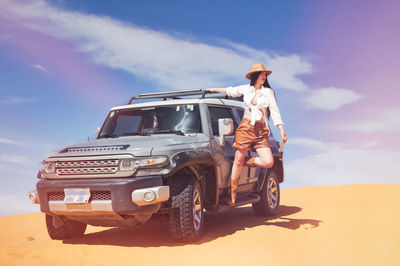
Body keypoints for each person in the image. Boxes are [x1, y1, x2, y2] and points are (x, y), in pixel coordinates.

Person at [207, 63, 287, 205]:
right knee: (237, 161)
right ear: (255, 76)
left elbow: (274, 110)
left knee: (268, 162)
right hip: (246, 127)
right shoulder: (246, 89)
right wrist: (213, 89)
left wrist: (281, 129)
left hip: (261, 130)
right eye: (261, 74)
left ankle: (246, 162)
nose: (264, 77)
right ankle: (233, 194)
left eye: (265, 75)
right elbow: (230, 91)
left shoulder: (268, 92)